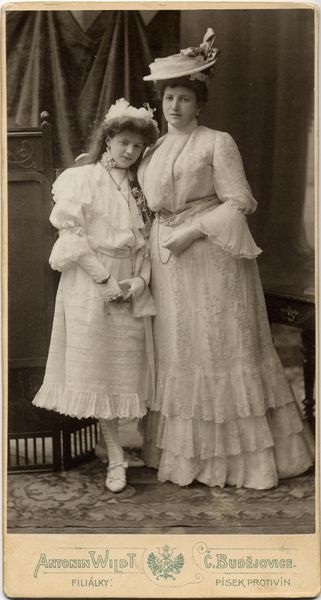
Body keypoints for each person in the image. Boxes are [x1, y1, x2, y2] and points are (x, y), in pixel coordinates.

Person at [138, 29, 314, 489]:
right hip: (165, 257)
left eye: (184, 99)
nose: (174, 106)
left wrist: (191, 232)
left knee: (217, 347)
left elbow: (239, 202)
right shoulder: (154, 147)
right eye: (169, 98)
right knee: (180, 349)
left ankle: (242, 463)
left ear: (199, 104)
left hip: (211, 257)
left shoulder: (217, 142)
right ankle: (182, 456)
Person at [32, 98, 159, 493]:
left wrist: (135, 284)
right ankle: (116, 458)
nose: (129, 151)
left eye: (137, 146)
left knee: (126, 369)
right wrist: (105, 282)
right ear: (108, 139)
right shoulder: (82, 179)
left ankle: (119, 447)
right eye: (123, 142)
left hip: (126, 281)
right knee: (99, 369)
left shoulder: (140, 188)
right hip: (91, 280)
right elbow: (71, 238)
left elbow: (145, 249)